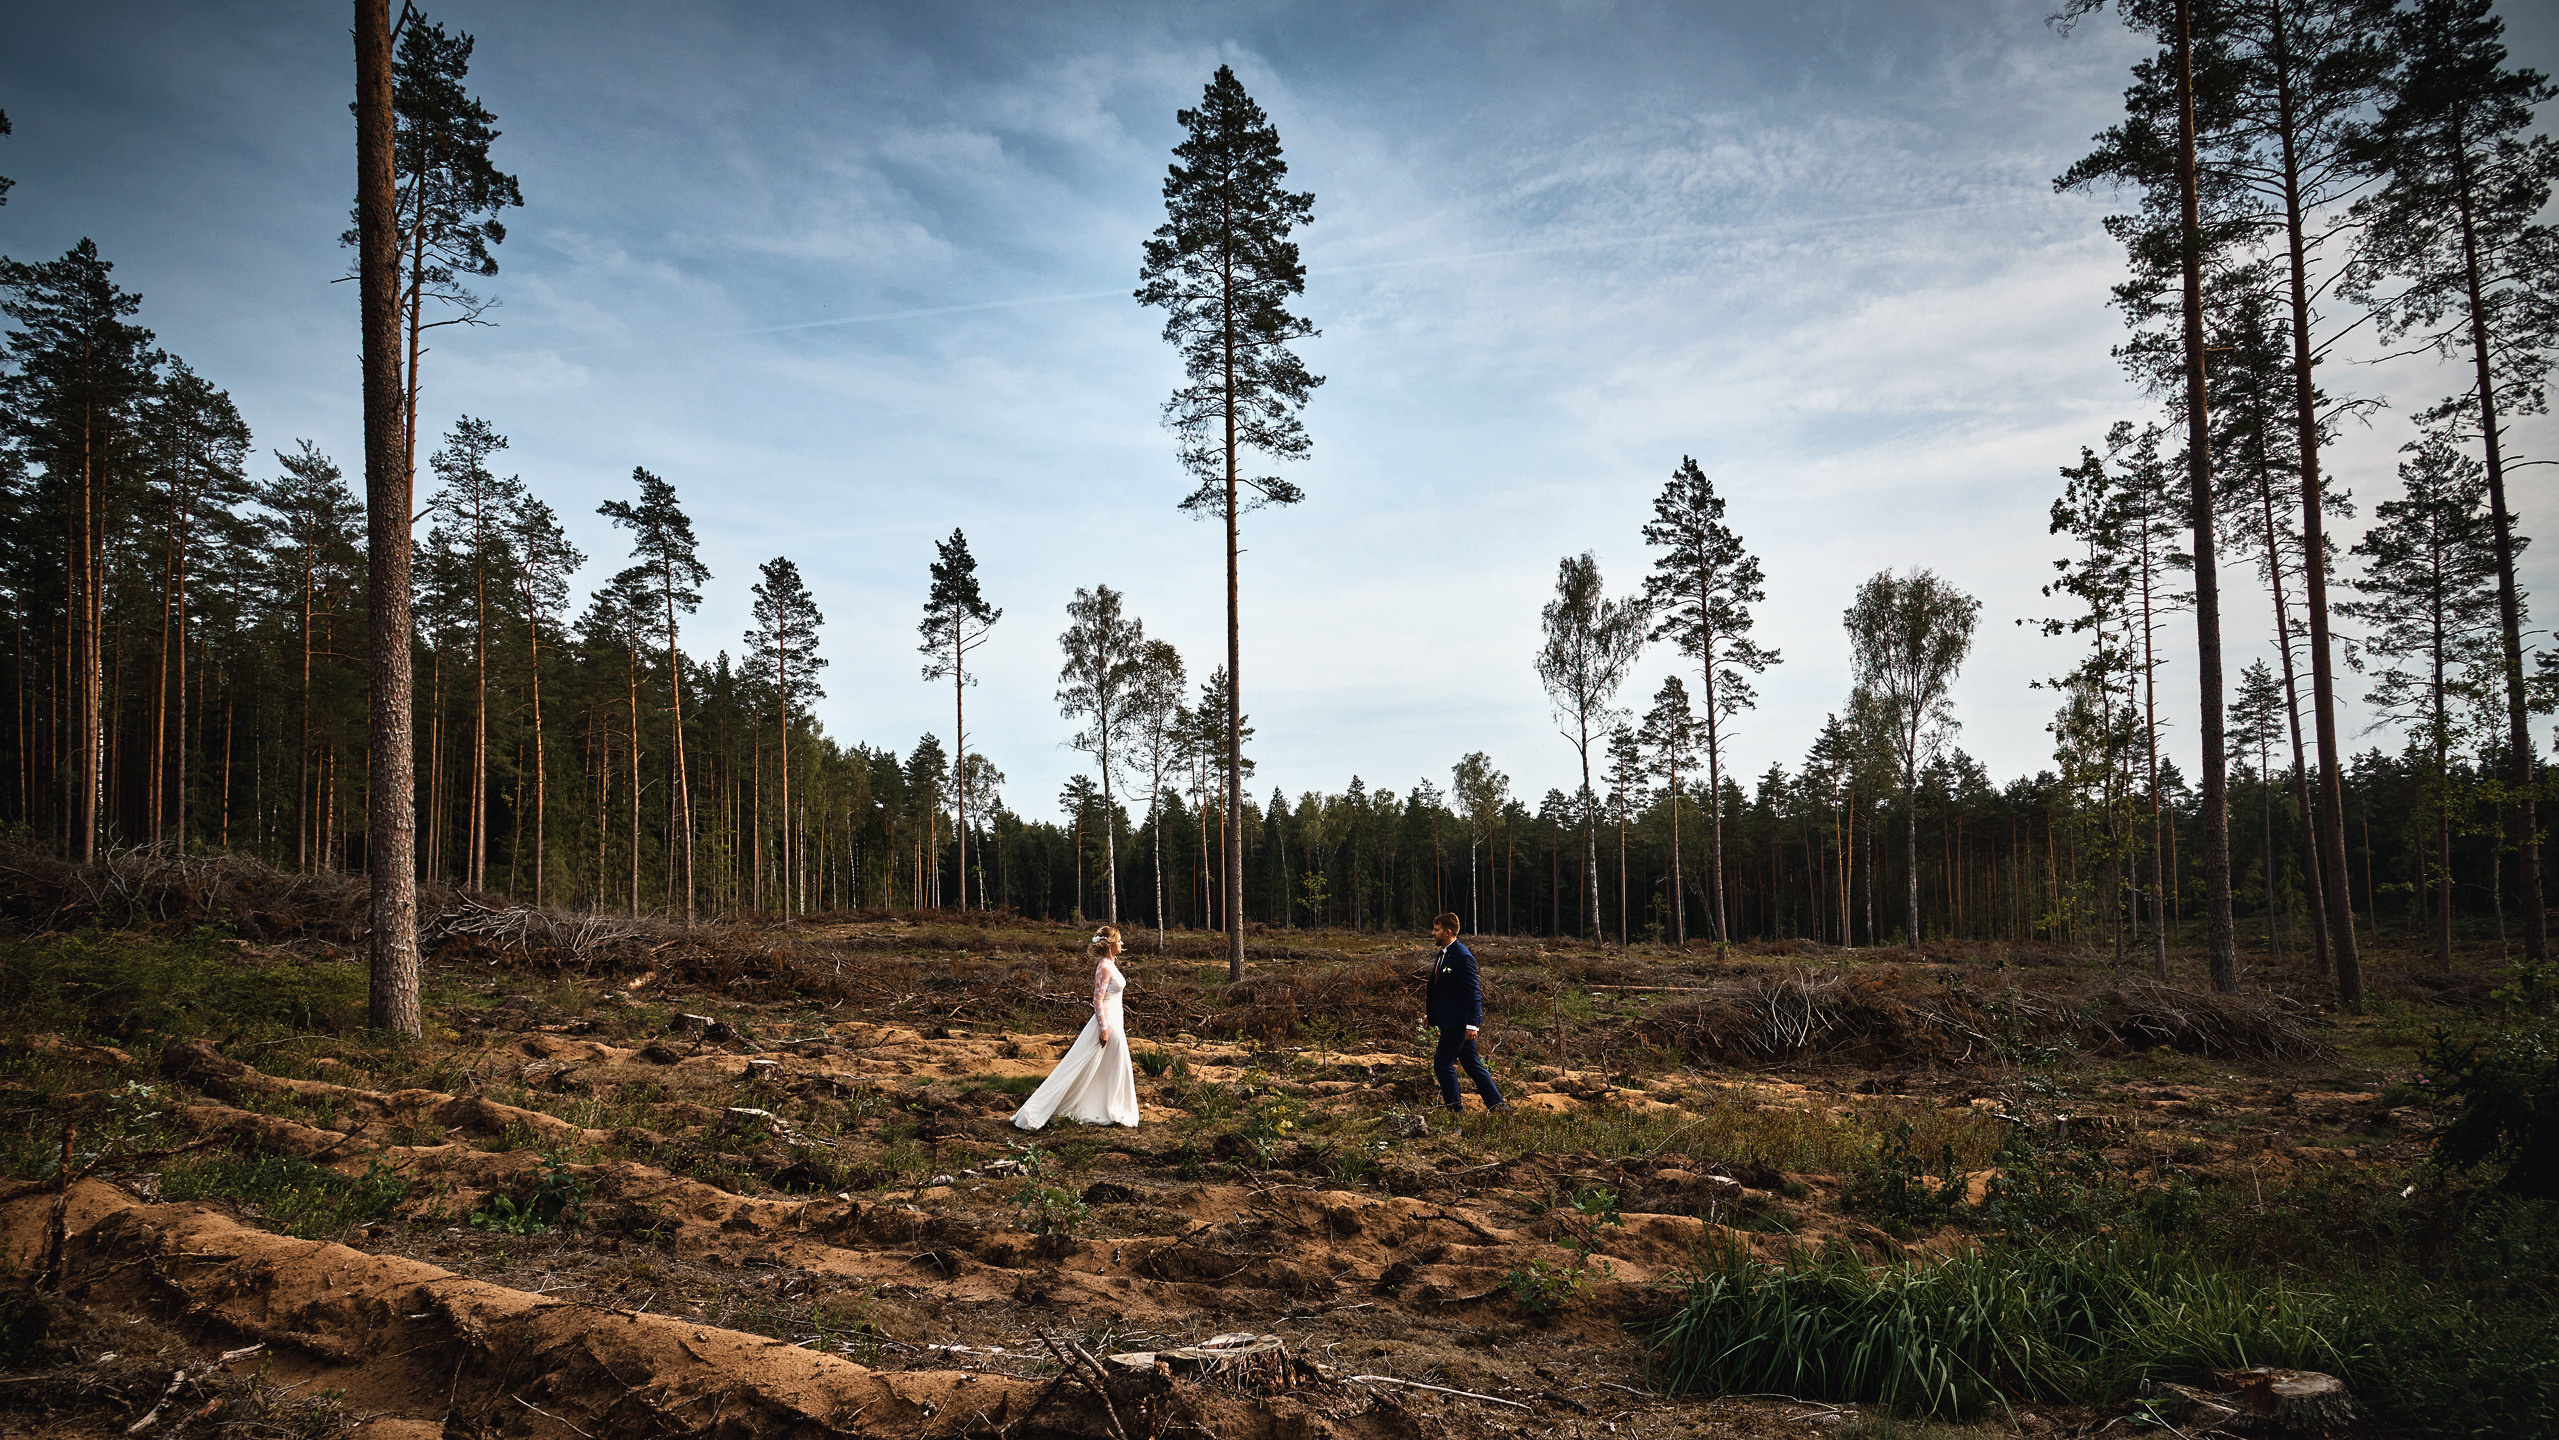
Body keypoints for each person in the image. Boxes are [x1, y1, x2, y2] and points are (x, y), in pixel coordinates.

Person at [1012, 924, 1141, 1129]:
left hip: (1117, 1017)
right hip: (1108, 1019)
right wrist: (1103, 1028)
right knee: (1110, 1061)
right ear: (1109, 945)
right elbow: (1097, 1001)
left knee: (1111, 1064)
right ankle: (1102, 1107)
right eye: (1119, 941)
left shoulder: (1112, 964)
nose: (1122, 944)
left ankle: (1108, 1105)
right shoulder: (1105, 967)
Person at [1425, 912, 1505, 1114]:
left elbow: (1473, 993)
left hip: (1458, 1024)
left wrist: (1472, 1024)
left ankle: (1455, 1112)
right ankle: (1499, 1109)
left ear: (1448, 932)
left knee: (1442, 1065)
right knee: (1472, 1065)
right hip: (1448, 1021)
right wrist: (1430, 1015)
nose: (1432, 933)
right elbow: (1440, 990)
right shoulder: (1443, 954)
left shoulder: (1462, 956)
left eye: (1436, 930)